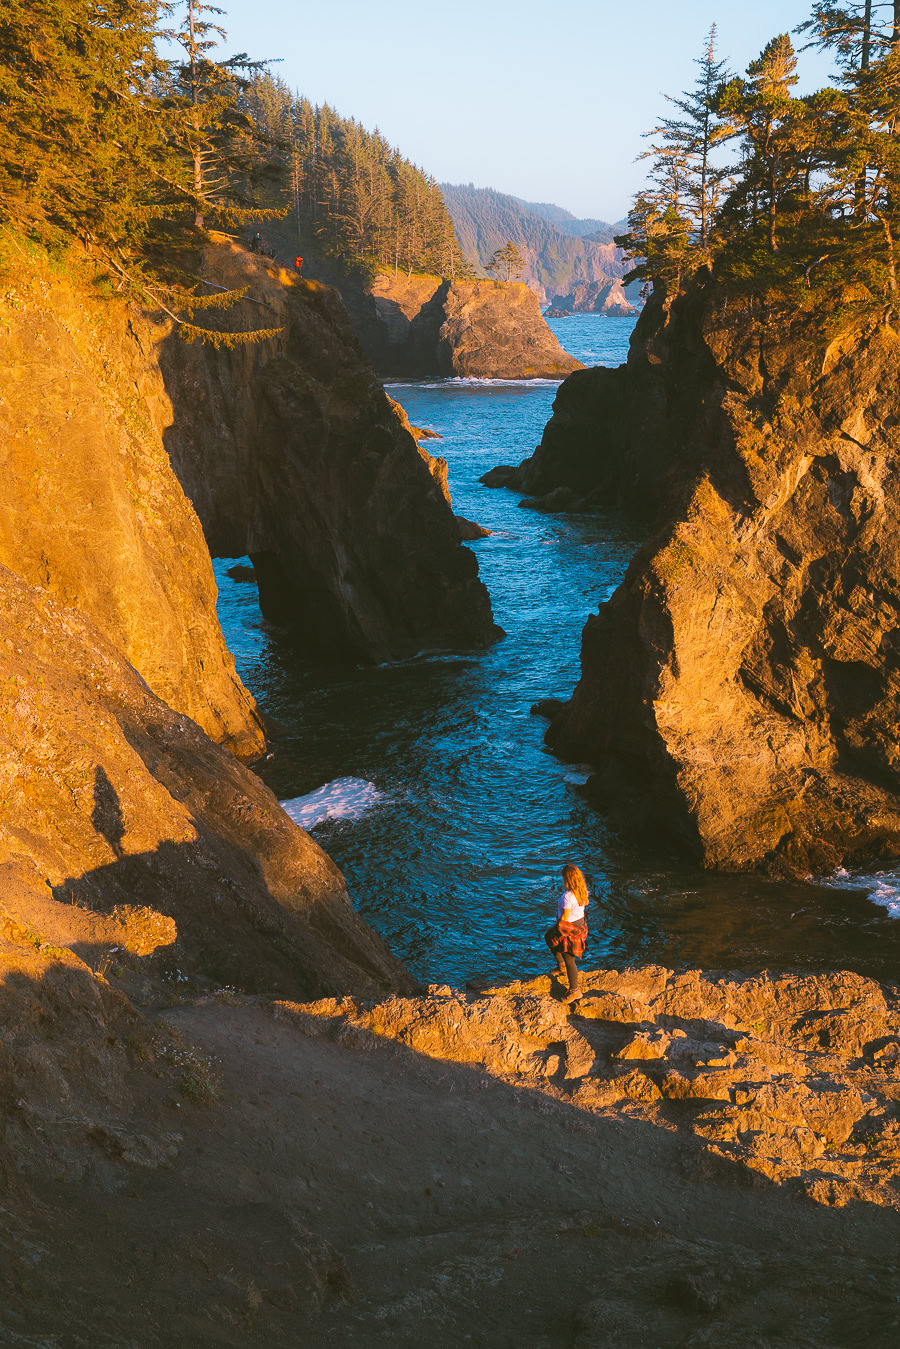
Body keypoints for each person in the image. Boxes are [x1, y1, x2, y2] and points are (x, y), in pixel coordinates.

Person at [544, 863, 590, 1003]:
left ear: (568, 879)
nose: (562, 880)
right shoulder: (582, 891)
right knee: (549, 937)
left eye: (563, 878)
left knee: (569, 958)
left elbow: (564, 917)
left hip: (568, 926)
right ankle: (561, 966)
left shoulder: (567, 897)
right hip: (580, 924)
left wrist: (558, 930)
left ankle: (575, 990)